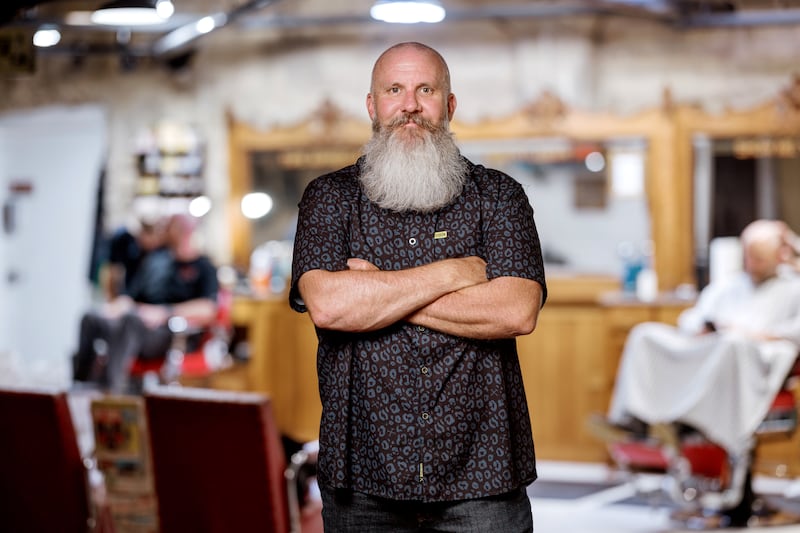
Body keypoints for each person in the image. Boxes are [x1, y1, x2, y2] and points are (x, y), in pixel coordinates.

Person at [289, 42, 547, 532]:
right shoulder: (328, 198)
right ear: (372, 105)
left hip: (484, 477)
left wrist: (376, 295)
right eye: (394, 90)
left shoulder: (500, 196)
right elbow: (328, 305)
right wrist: (453, 274)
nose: (409, 104)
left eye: (425, 89)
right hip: (362, 476)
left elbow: (516, 311)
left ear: (449, 105)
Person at [594, 219, 800, 459]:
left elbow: (794, 333)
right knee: (644, 334)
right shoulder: (730, 284)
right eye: (748, 256)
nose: (752, 264)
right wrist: (703, 329)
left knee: (731, 343)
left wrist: (743, 333)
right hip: (712, 348)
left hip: (754, 358)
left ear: (780, 255)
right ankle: (636, 418)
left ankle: (685, 422)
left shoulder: (793, 288)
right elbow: (691, 319)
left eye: (760, 258)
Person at [73, 212, 218, 394]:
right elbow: (132, 297)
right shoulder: (157, 262)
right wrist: (118, 305)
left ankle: (111, 391)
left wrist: (164, 312)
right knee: (90, 317)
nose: (163, 232)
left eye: (169, 227)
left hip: (170, 333)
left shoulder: (204, 267)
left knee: (130, 321)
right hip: (139, 324)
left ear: (185, 231)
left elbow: (208, 308)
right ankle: (80, 385)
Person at [104, 216, 167, 300]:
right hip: (125, 297)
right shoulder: (126, 241)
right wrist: (113, 300)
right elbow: (112, 272)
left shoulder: (161, 252)